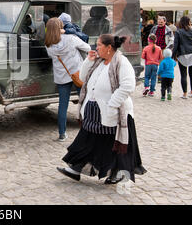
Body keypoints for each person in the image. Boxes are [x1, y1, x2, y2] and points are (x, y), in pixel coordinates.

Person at [56, 34, 146, 184]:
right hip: (94, 111)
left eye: (98, 45)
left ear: (109, 48)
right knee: (86, 140)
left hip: (115, 113)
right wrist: (88, 61)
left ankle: (118, 174)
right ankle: (76, 168)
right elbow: (83, 78)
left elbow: (128, 86)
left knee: (116, 146)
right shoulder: (98, 62)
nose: (95, 48)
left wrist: (112, 104)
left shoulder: (121, 63)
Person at [45, 18, 91, 141]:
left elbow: (51, 56)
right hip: (77, 73)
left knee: (63, 105)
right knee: (85, 100)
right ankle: (88, 128)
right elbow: (87, 48)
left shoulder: (48, 45)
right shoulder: (71, 39)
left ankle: (62, 134)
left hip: (62, 76)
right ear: (61, 27)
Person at [172, 16, 192, 99]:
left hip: (183, 54)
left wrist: (173, 56)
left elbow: (176, 45)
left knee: (183, 75)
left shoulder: (178, 32)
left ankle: (185, 94)